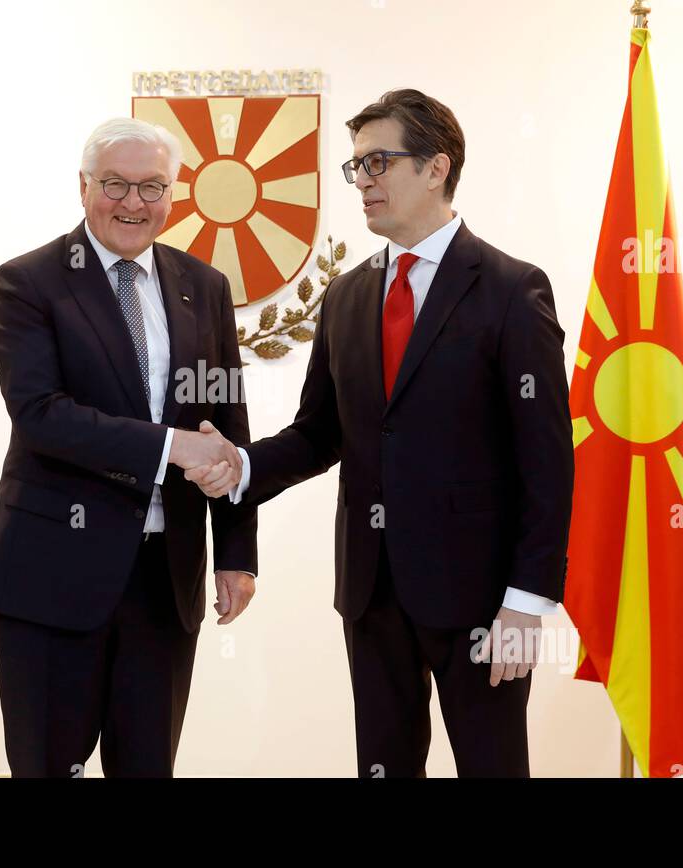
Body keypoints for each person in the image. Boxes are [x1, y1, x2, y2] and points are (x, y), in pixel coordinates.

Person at [189, 89, 573, 777]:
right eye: (356, 167)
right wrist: (240, 466)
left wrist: (526, 602)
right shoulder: (346, 295)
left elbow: (547, 461)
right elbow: (318, 435)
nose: (362, 181)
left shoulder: (513, 291)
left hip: (484, 602)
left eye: (378, 163)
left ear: (435, 168)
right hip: (371, 593)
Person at [0, 117, 257, 777]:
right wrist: (171, 449)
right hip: (52, 577)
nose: (133, 204)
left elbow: (227, 428)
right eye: (115, 185)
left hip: (167, 581)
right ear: (83, 187)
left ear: (174, 193)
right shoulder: (29, 283)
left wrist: (237, 554)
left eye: (151, 187)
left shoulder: (205, 287)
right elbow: (41, 414)